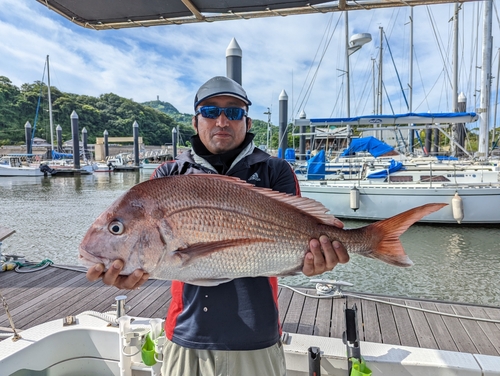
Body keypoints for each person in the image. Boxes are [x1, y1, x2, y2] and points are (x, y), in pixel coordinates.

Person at [86, 76, 349, 376]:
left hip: (256, 338)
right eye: (210, 111)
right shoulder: (169, 174)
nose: (222, 120)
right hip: (186, 335)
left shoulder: (275, 171)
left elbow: (298, 247)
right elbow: (152, 254)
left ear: (247, 122)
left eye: (234, 112)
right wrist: (130, 273)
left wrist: (312, 262)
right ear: (196, 122)